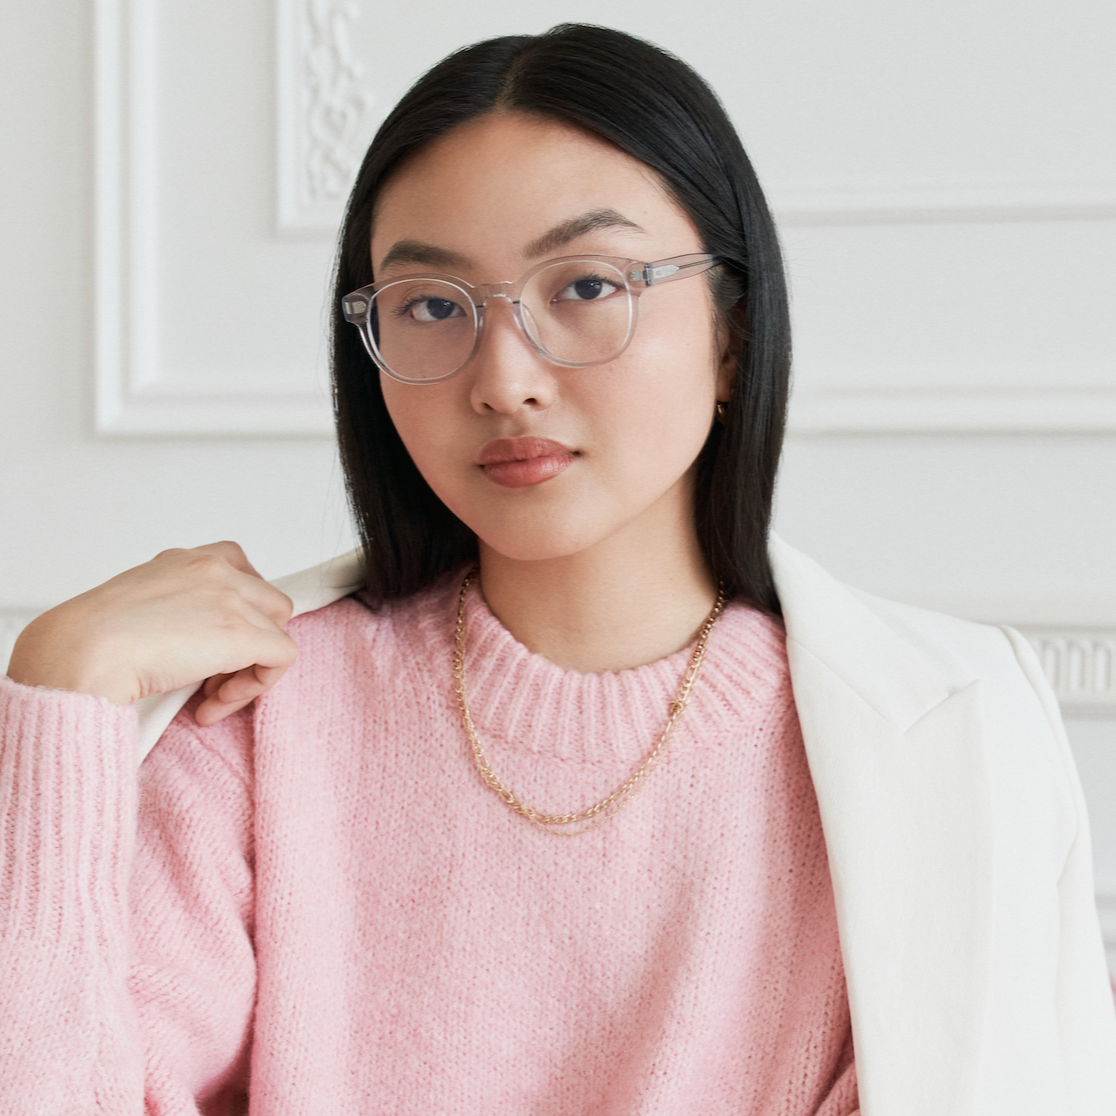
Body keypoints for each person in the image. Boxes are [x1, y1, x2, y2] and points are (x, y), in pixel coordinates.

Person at [2, 23, 1114, 1115]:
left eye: (586, 286)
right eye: (433, 306)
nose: (505, 378)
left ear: (731, 334)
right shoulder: (253, 717)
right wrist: (61, 685)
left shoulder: (945, 731)